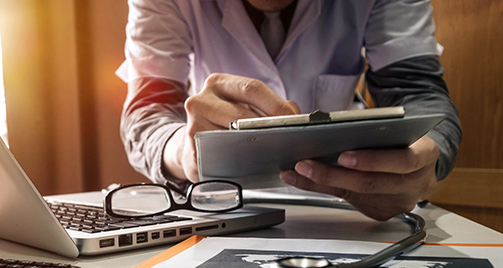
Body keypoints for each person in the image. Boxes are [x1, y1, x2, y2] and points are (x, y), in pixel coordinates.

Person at [116, 0, 461, 221]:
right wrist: (186, 151)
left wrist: (423, 158)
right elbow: (147, 113)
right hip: (219, 212)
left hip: (356, 215)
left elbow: (420, 94)